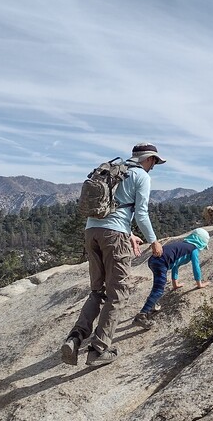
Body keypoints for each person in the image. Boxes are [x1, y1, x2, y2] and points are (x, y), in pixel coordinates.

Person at [61, 142, 165, 367]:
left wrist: (128, 234)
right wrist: (154, 241)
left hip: (92, 231)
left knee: (97, 290)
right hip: (113, 235)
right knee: (117, 293)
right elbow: (141, 214)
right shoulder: (141, 176)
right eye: (154, 161)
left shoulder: (115, 170)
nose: (154, 166)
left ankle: (75, 337)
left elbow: (112, 207)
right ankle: (98, 349)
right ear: (148, 159)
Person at [133, 228, 210, 329]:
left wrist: (175, 284)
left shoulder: (182, 245)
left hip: (153, 260)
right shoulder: (193, 249)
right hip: (161, 263)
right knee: (159, 289)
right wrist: (199, 284)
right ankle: (141, 316)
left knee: (158, 285)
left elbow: (176, 264)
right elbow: (196, 267)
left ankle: (152, 303)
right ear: (201, 243)